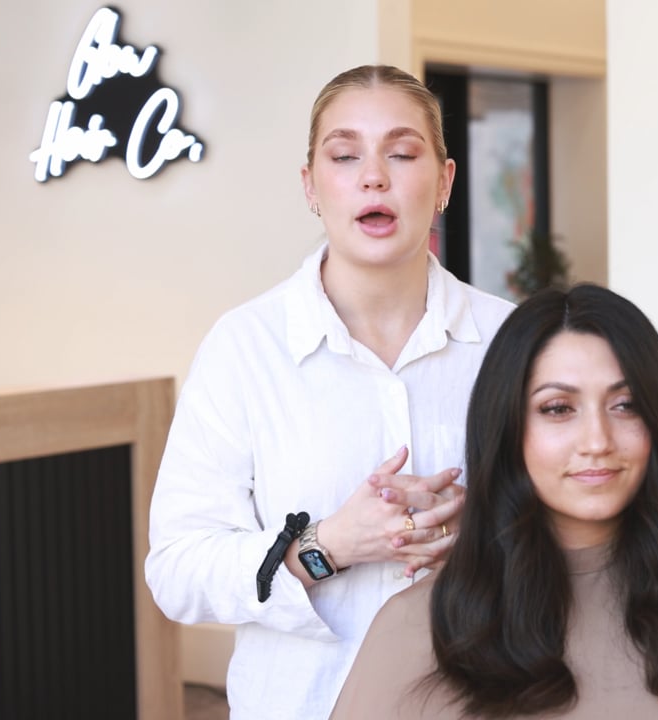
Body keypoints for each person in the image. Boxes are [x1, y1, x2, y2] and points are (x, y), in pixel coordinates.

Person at [145, 64, 515, 719]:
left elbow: (577, 531)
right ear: (311, 186)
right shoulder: (244, 348)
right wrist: (328, 546)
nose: (374, 176)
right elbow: (177, 571)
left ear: (445, 182)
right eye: (345, 156)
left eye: (402, 154)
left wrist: (486, 533)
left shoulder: (510, 341)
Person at [331, 284, 658, 719]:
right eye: (558, 408)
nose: (597, 440)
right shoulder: (417, 631)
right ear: (509, 428)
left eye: (626, 405)